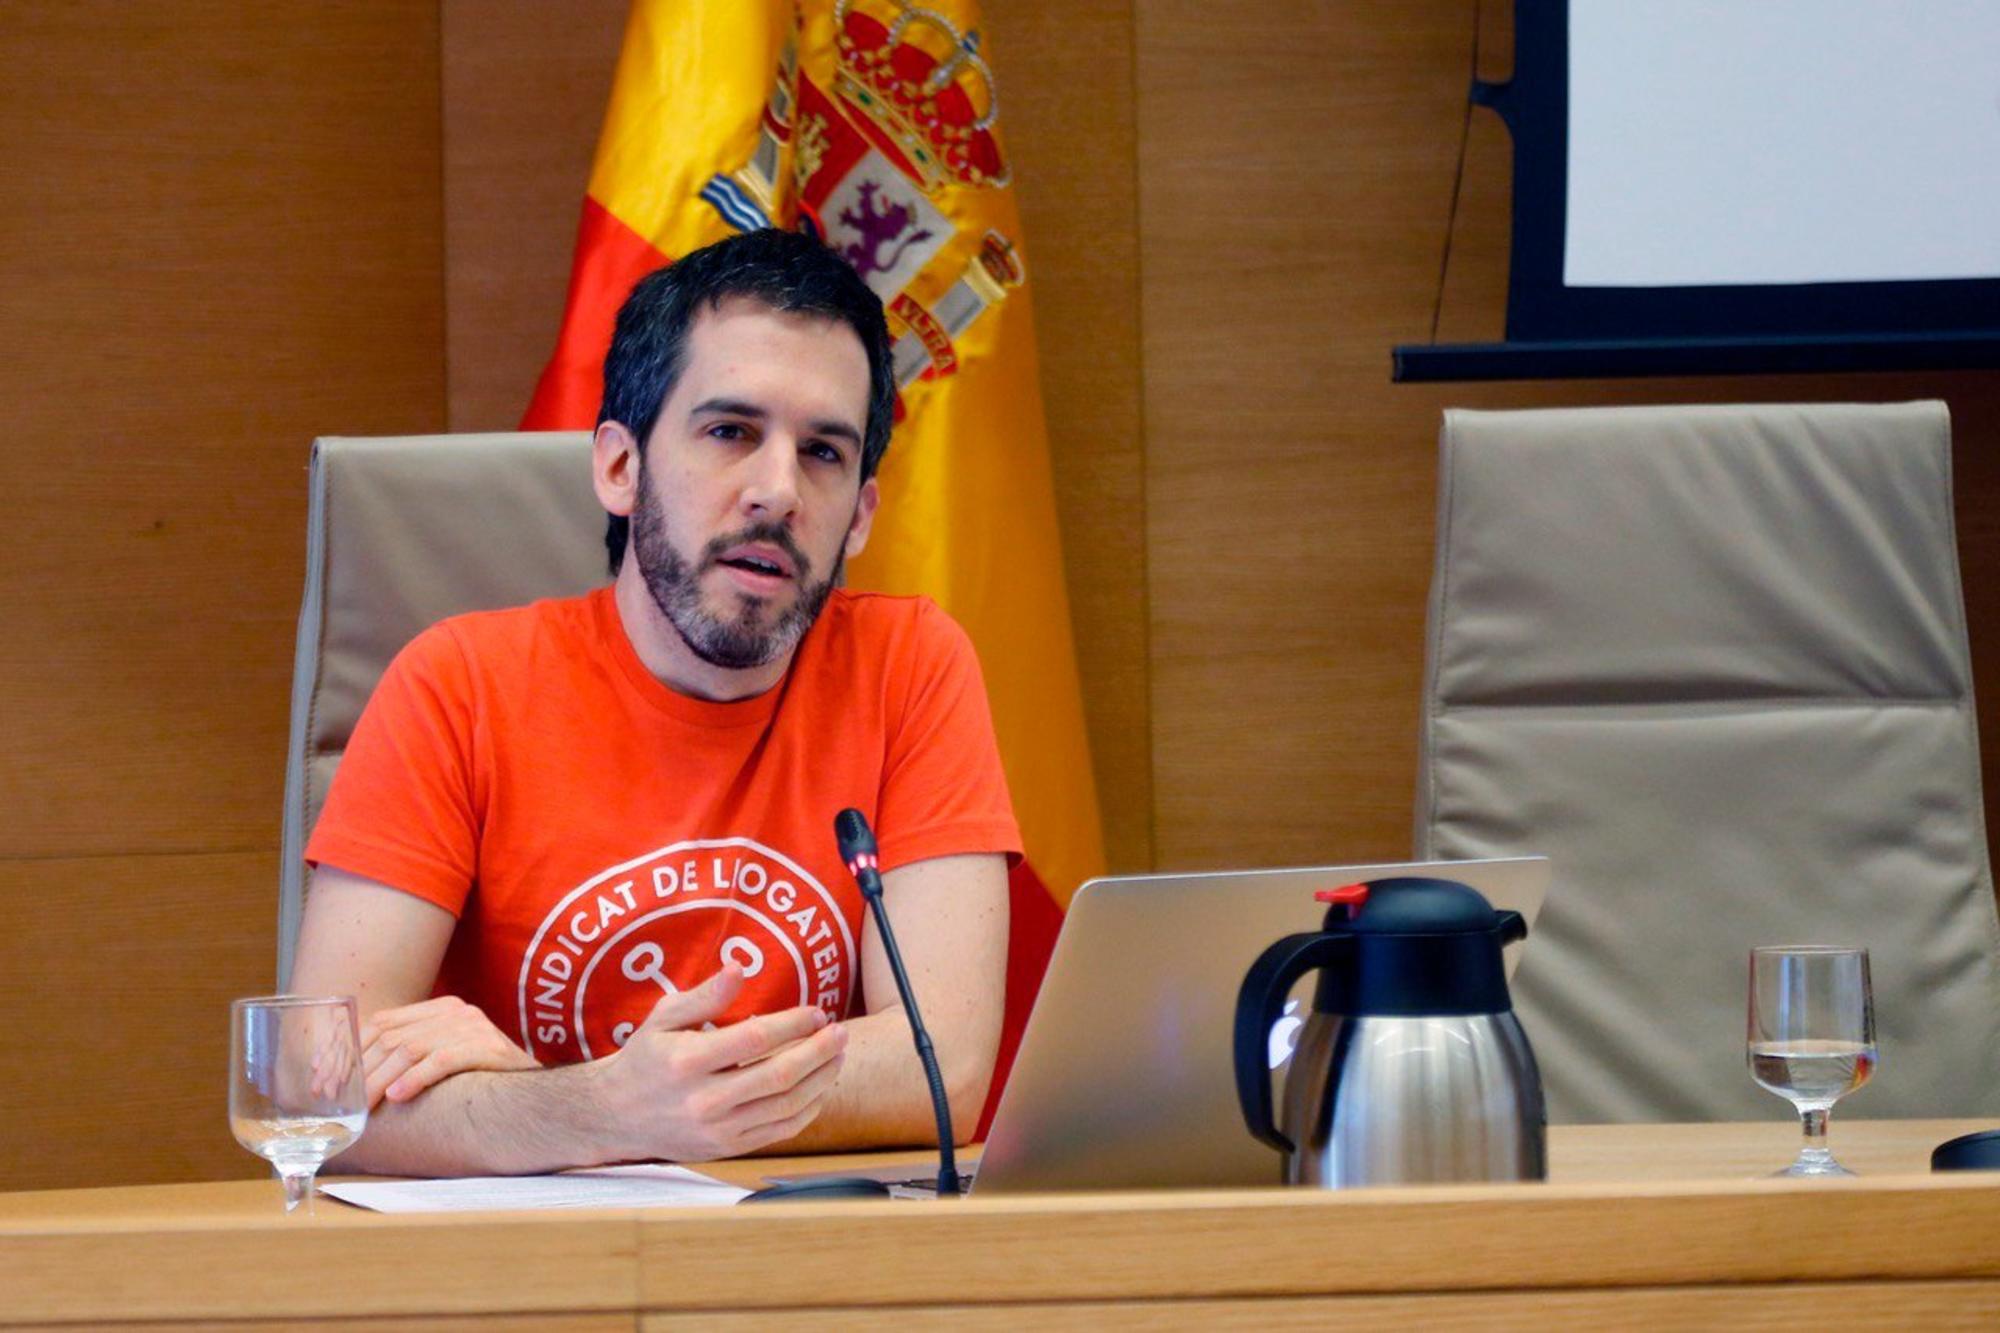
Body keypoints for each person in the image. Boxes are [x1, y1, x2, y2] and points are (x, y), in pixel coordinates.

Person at [289, 228, 1018, 1176]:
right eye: (730, 432)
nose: (777, 490)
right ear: (618, 468)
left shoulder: (911, 665)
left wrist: (579, 1102)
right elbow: (322, 1084)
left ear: (863, 515)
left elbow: (941, 1072)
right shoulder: (454, 685)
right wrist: (601, 1105)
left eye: (825, 453)